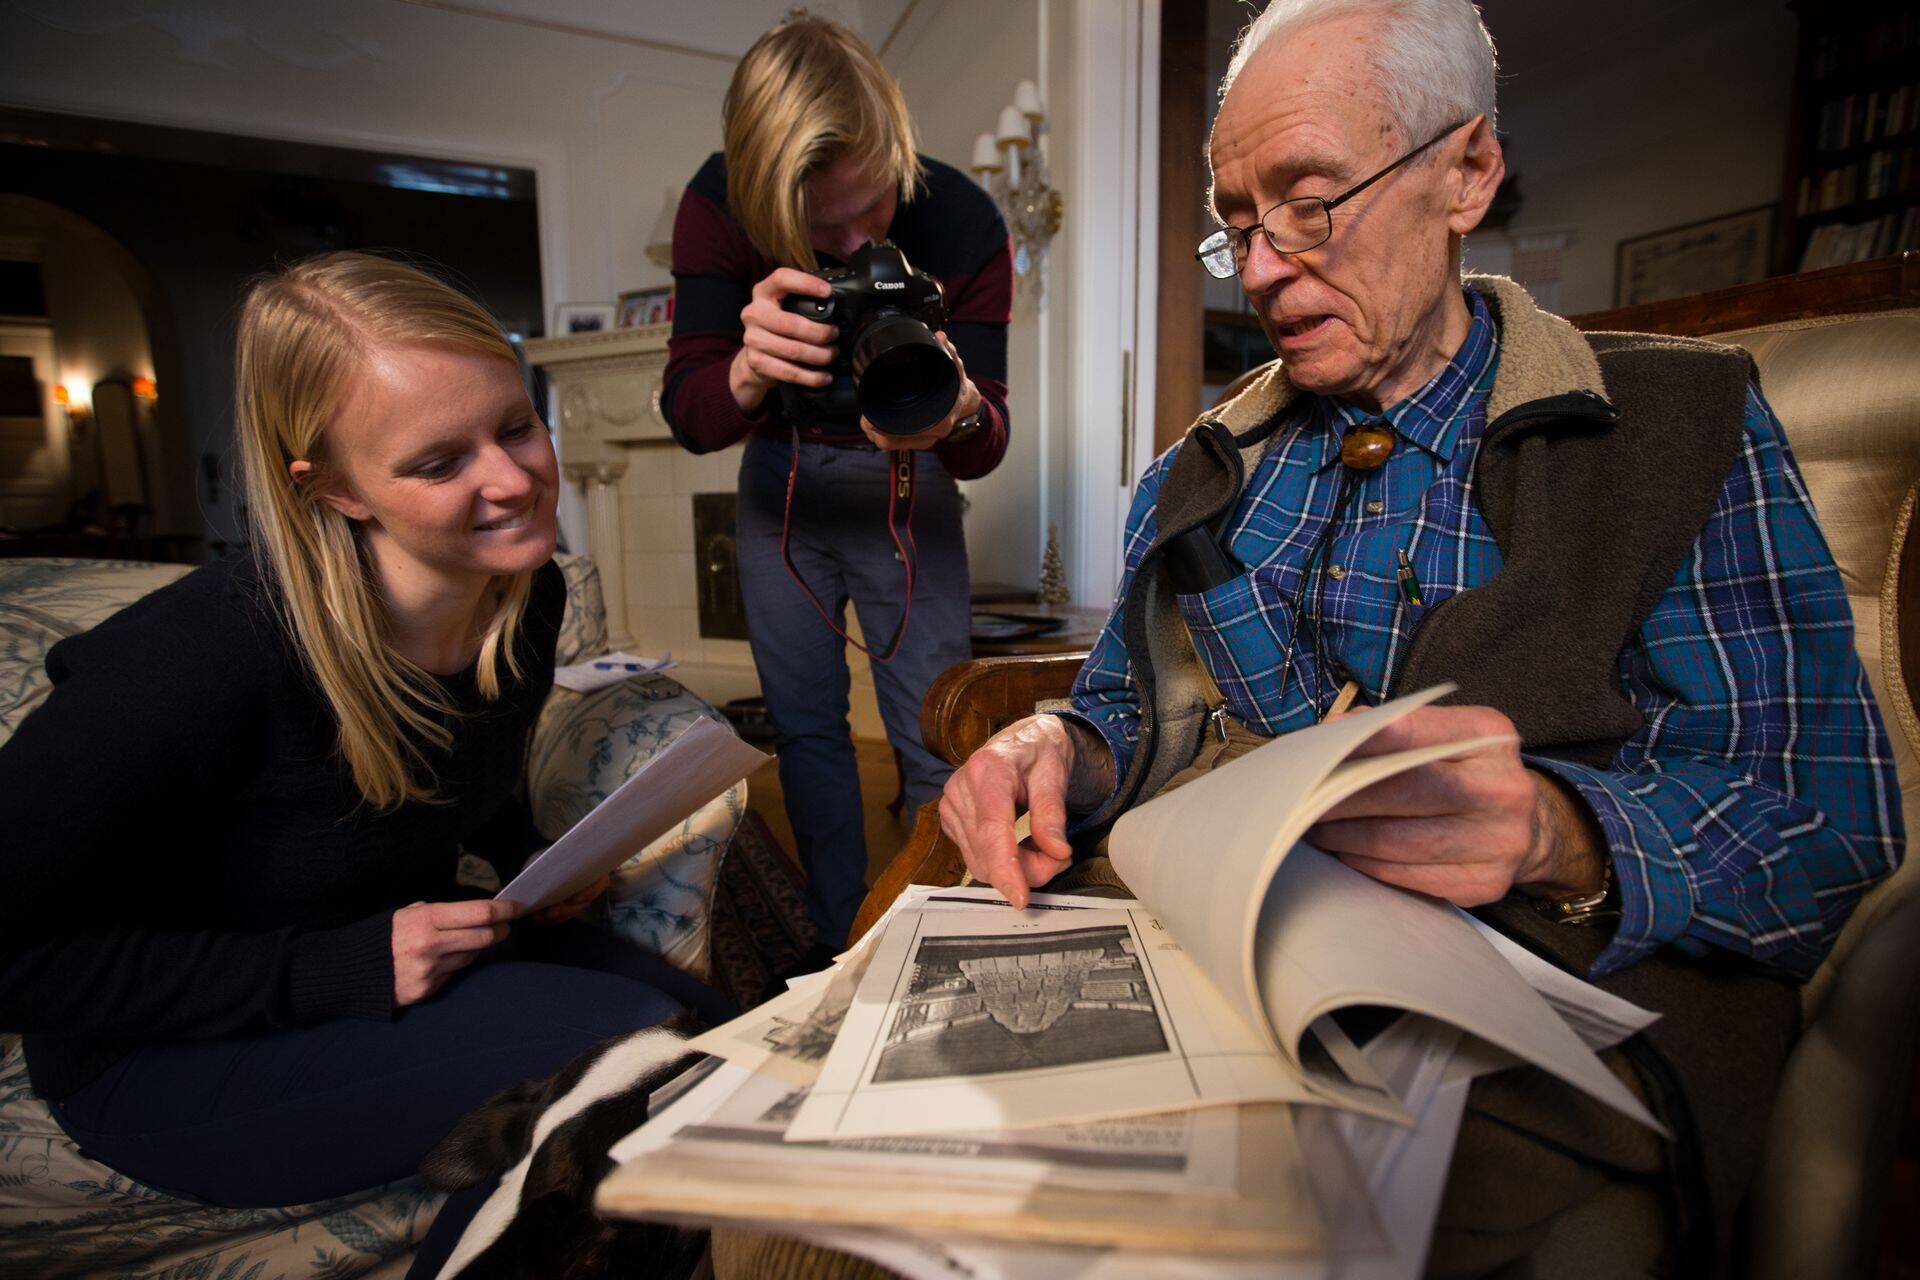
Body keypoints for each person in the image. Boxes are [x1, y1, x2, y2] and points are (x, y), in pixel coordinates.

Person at [938, 0, 1903, 1274]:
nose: (1262, 270)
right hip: (1203, 958)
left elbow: (1830, 830)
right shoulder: (1193, 474)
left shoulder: (1681, 429)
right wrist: (1055, 743)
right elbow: (1120, 707)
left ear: (1469, 170)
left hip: (1531, 1003)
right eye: (1238, 224)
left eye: (1310, 204)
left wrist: (1561, 833)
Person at [0, 252, 731, 1280]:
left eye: (516, 426)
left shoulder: (522, 600)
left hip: (380, 971)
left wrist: (535, 858)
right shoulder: (192, 663)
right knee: (630, 1055)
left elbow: (442, 777)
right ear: (335, 486)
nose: (513, 480)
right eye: (439, 463)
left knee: (729, 1039)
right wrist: (330, 969)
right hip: (169, 1054)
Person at [664, 11, 1013, 950]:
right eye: (825, 228)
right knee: (808, 732)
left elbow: (984, 444)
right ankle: (834, 943)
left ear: (894, 148)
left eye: (876, 209)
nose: (857, 243)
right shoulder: (718, 204)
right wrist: (747, 369)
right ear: (764, 196)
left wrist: (960, 410)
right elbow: (690, 415)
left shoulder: (964, 218)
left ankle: (940, 934)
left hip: (910, 483)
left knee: (938, 732)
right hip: (780, 486)